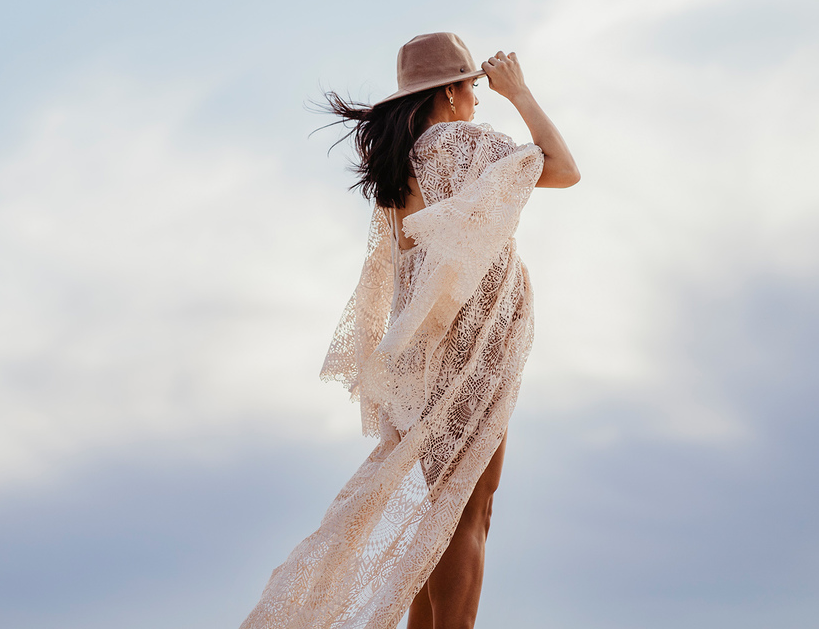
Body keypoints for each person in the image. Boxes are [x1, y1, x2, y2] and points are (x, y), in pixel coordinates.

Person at [240, 33, 579, 629]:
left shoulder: (406, 161)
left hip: (427, 354)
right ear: (450, 90)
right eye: (472, 87)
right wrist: (520, 93)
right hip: (469, 349)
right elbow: (563, 169)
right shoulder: (456, 141)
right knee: (468, 511)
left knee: (443, 513)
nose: (477, 98)